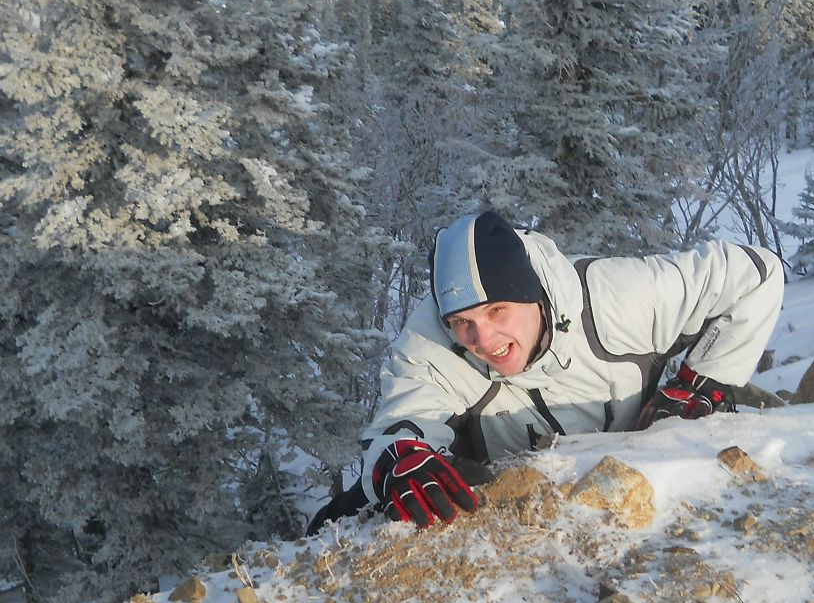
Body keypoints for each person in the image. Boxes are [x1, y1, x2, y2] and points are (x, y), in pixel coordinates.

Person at [307, 211, 783, 532]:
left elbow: (757, 273)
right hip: (514, 502)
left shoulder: (618, 298)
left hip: (641, 482)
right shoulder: (431, 343)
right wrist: (400, 456)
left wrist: (701, 382)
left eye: (497, 310)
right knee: (352, 511)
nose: (484, 340)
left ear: (531, 293)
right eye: (463, 323)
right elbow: (400, 419)